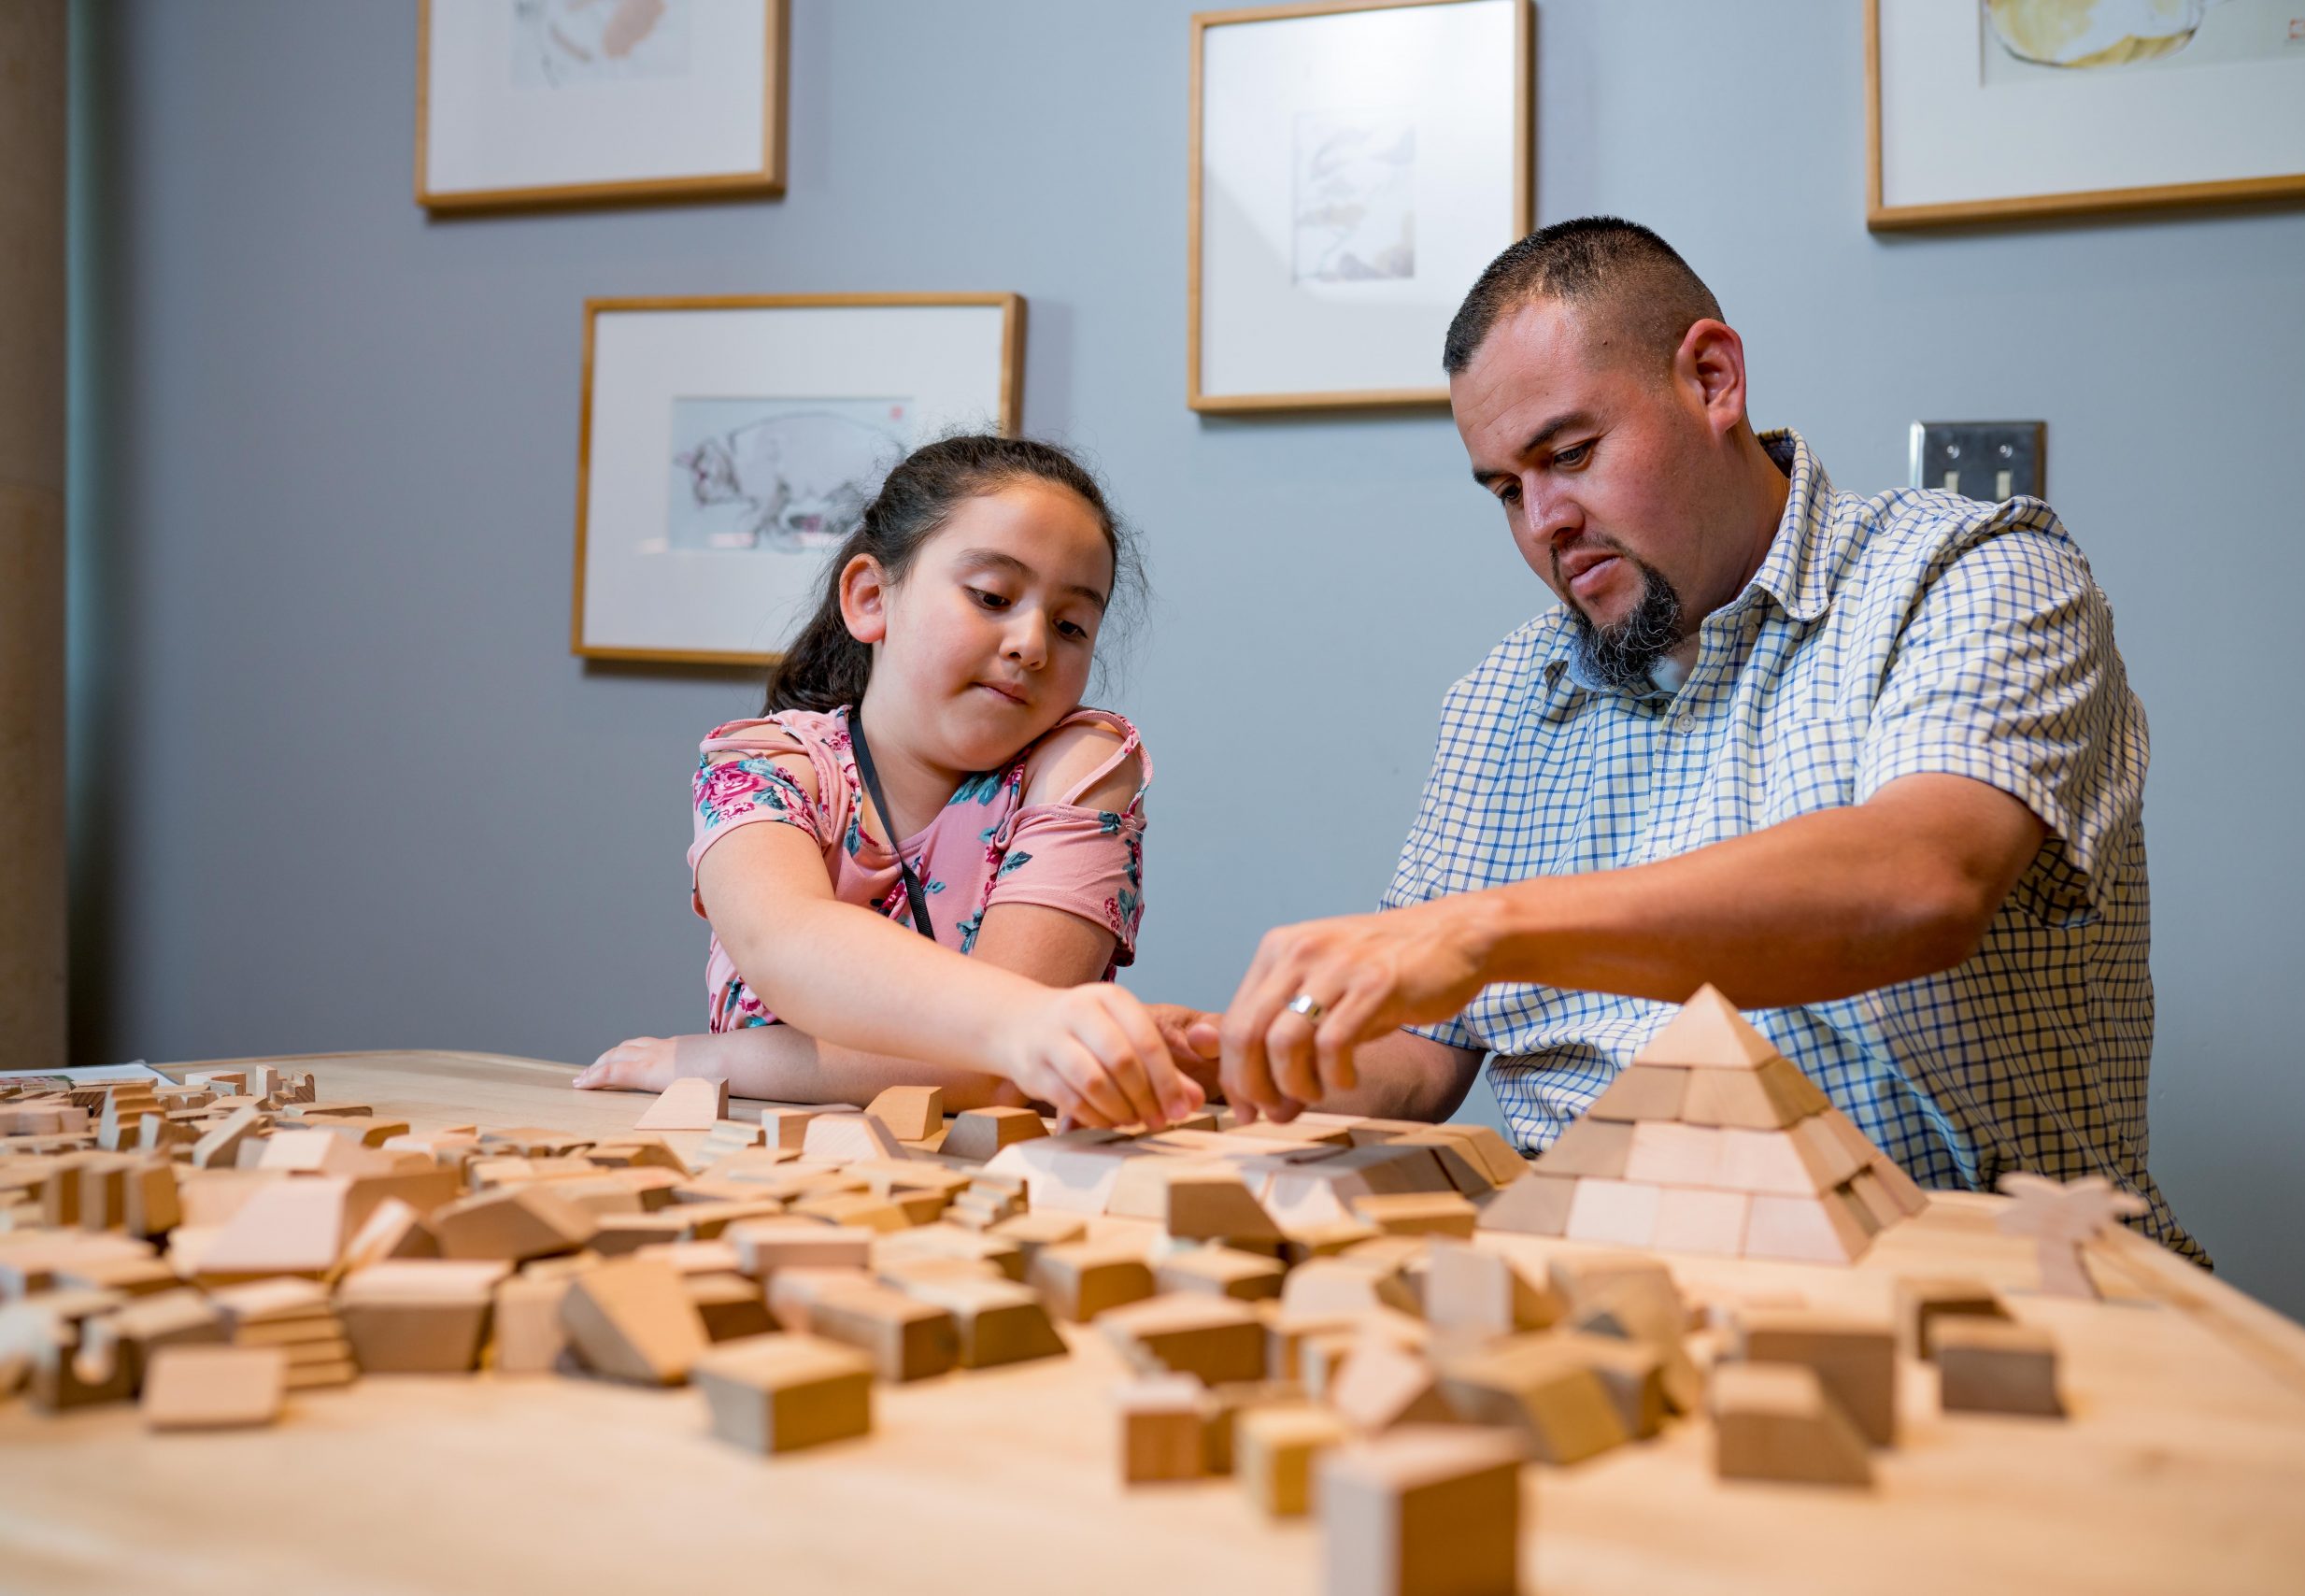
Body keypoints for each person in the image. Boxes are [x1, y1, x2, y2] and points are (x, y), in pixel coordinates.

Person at [1188, 217, 2203, 1260]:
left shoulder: (1973, 572)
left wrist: (1484, 929)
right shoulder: (1499, 700)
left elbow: (1920, 880)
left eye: (1569, 454)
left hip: (1957, 1270)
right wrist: (1242, 1063)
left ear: (1713, 379)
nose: (1542, 520)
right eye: (1505, 488)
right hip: (1589, 1277)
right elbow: (1419, 1050)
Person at [576, 435, 1203, 1132]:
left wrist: (709, 1062)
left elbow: (994, 1075)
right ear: (872, 597)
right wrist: (1021, 1027)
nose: (1033, 643)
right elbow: (789, 944)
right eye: (993, 596)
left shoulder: (1083, 765)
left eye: (1071, 625)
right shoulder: (761, 767)